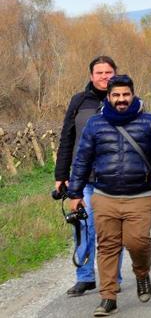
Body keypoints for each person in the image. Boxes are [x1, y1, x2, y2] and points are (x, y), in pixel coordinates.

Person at [67, 74, 151, 316]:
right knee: (107, 246)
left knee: (138, 243)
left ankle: (142, 273)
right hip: (105, 195)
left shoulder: (150, 122)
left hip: (140, 195)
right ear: (109, 97)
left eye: (126, 94)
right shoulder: (95, 124)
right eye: (116, 95)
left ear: (133, 94)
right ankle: (108, 297)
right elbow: (82, 160)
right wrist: (75, 193)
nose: (121, 99)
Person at [54, 55, 123, 297]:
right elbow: (67, 138)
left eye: (109, 72)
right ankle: (85, 277)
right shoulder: (79, 102)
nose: (104, 77)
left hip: (115, 177)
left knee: (112, 229)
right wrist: (61, 174)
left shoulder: (123, 99)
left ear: (115, 73)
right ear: (91, 76)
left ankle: (113, 276)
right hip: (83, 177)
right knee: (83, 226)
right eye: (99, 73)